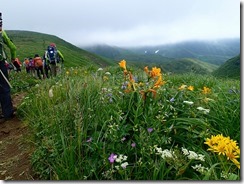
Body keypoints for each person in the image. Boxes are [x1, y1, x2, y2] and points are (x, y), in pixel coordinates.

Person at [0, 12, 16, 123]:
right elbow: (13, 47)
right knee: (4, 88)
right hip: (0, 64)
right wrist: (13, 59)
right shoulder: (2, 33)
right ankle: (8, 113)